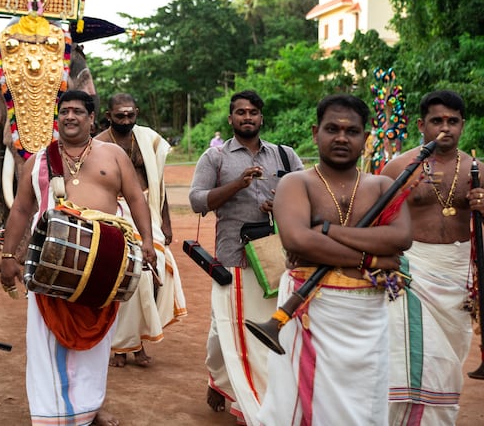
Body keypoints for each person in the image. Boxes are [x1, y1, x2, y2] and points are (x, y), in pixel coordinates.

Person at [1, 90, 155, 426]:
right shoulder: (38, 160)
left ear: (90, 118)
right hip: (49, 262)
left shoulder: (113, 155)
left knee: (96, 346)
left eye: (77, 112)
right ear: (58, 118)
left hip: (103, 263)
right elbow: (22, 208)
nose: (70, 117)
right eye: (65, 111)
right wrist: (9, 254)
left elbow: (136, 199)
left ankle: (90, 405)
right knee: (45, 340)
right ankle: (50, 413)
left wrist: (148, 241)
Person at [258, 94, 412, 425]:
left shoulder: (382, 185)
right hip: (310, 310)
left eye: (351, 131)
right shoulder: (295, 183)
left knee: (365, 403)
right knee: (296, 403)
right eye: (332, 128)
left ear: (365, 137)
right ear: (315, 132)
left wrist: (325, 230)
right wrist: (375, 260)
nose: (341, 137)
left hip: (368, 317)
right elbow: (296, 239)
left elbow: (400, 238)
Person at [189, 89, 303, 423]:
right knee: (227, 326)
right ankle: (227, 383)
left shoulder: (285, 156)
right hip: (234, 256)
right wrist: (236, 186)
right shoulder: (216, 158)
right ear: (230, 118)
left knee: (260, 330)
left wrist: (280, 204)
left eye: (253, 112)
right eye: (241, 112)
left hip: (278, 256)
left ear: (261, 118)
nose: (247, 117)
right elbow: (197, 201)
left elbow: (310, 193)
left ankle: (247, 397)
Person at [382, 90, 480, 425]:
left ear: (463, 125)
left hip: (457, 275)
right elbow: (375, 220)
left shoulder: (476, 168)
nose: (445, 128)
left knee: (447, 361)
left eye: (453, 121)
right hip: (411, 270)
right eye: (437, 120)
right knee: (407, 358)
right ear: (421, 125)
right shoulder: (399, 167)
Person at [94, 93, 187, 367]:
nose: (126, 120)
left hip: (147, 212)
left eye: (130, 114)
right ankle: (123, 348)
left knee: (157, 269)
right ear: (108, 116)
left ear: (137, 112)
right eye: (119, 116)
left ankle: (137, 340)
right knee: (128, 274)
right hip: (113, 213)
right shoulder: (98, 144)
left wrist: (166, 220)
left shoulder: (149, 139)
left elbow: (158, 183)